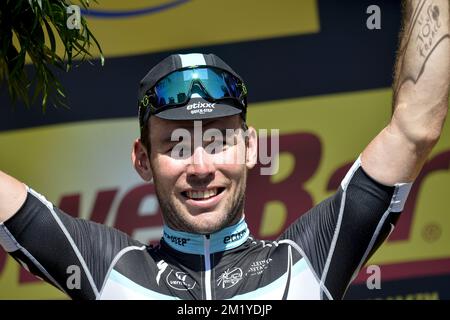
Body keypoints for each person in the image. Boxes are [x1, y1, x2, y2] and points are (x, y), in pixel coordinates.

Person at [0, 0, 448, 300]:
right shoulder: (107, 270)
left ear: (251, 146)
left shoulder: (307, 262)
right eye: (177, 144)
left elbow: (415, 128)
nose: (200, 167)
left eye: (217, 140)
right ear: (142, 159)